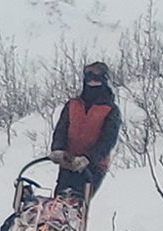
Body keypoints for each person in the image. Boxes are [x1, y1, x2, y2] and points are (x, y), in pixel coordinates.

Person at [47, 62, 123, 201]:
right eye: (89, 77)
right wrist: (58, 149)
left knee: (77, 204)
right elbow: (61, 129)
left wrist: (89, 158)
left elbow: (108, 140)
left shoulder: (111, 110)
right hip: (68, 162)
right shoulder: (73, 105)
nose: (92, 82)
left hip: (93, 168)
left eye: (97, 78)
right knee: (58, 203)